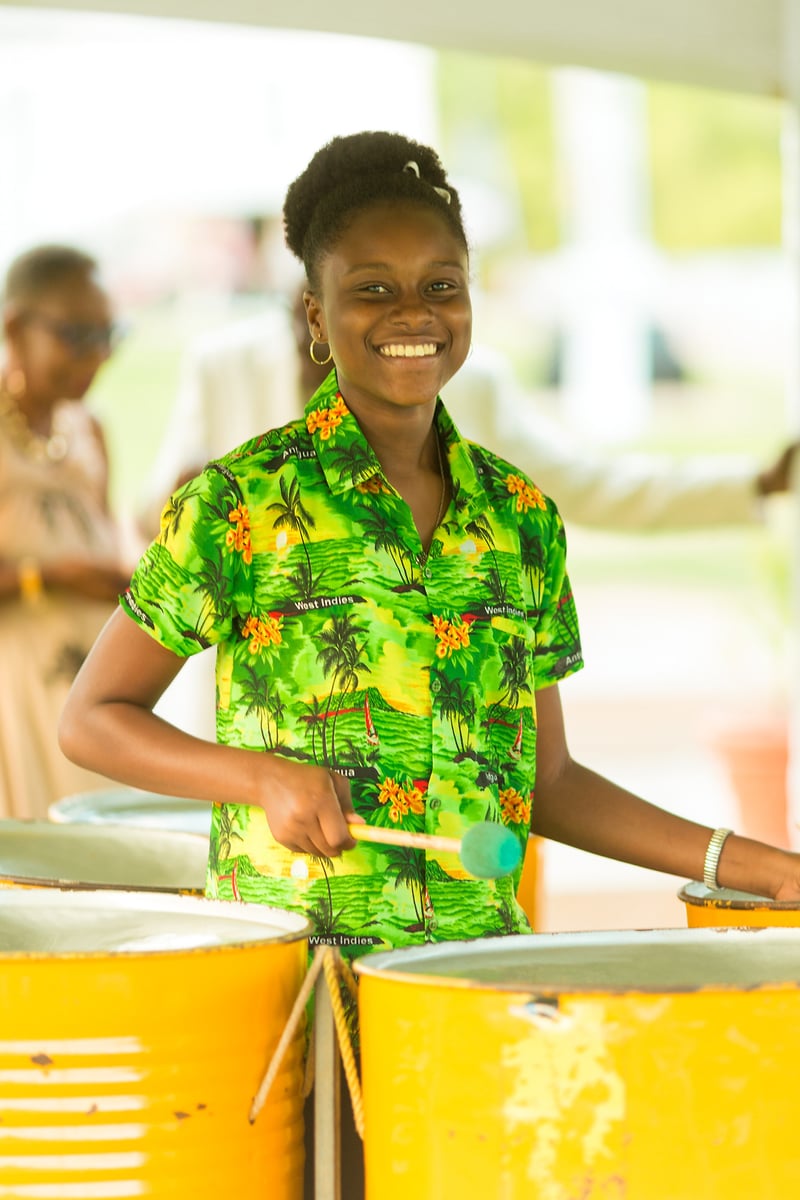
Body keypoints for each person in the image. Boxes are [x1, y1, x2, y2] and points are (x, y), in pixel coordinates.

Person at [58, 132, 800, 1197]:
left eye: (438, 285)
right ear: (315, 316)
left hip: (466, 990)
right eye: (370, 289)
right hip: (294, 995)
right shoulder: (239, 502)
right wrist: (257, 776)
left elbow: (546, 784)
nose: (412, 314)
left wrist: (756, 866)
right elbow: (94, 717)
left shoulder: (520, 520)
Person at [0, 245, 131, 818]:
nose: (98, 355)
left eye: (109, 334)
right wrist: (46, 577)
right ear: (15, 329)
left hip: (93, 699)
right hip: (15, 701)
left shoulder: (92, 432)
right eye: (77, 336)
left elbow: (110, 542)